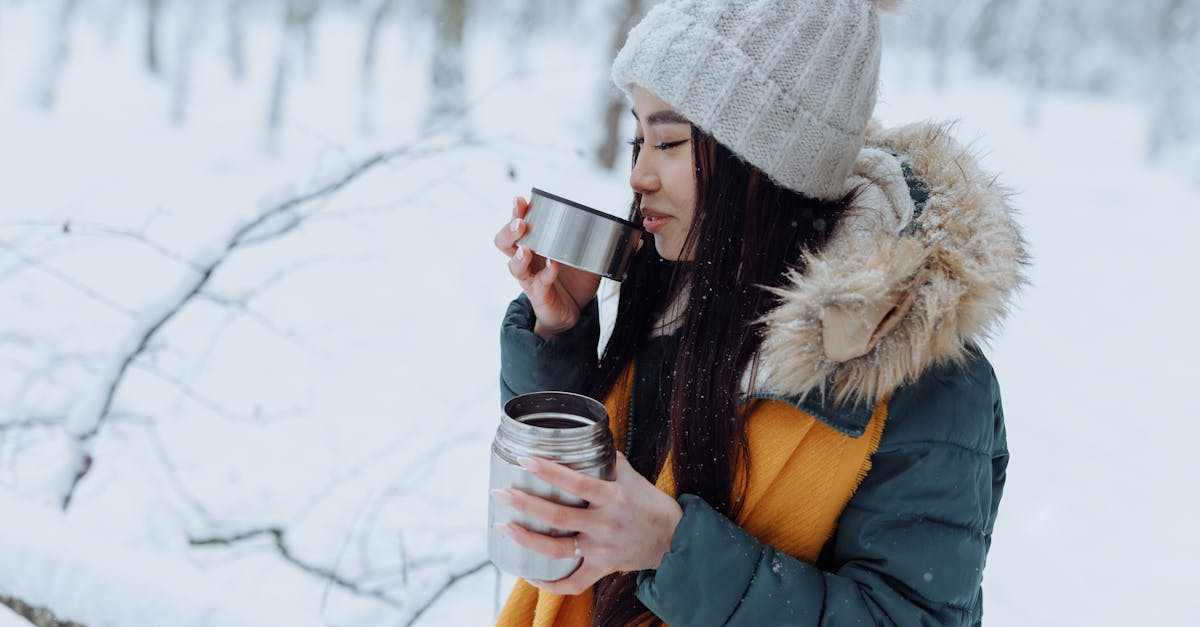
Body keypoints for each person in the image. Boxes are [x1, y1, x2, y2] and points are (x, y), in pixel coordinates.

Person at [490, 0, 1026, 625]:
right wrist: (560, 333)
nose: (637, 175)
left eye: (667, 141)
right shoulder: (677, 297)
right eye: (639, 137)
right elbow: (587, 505)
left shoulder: (922, 379)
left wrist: (673, 552)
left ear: (766, 159)